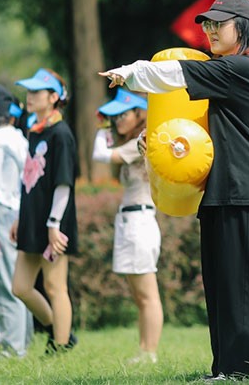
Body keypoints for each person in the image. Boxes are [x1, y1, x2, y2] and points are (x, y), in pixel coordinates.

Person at [99, 0, 249, 381]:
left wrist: (131, 72)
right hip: (224, 190)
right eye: (207, 24)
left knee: (236, 283)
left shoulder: (242, 67)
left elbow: (176, 74)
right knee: (219, 283)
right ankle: (223, 368)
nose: (210, 30)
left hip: (242, 189)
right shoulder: (230, 72)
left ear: (243, 28)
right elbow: (201, 129)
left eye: (218, 24)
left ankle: (240, 369)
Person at [92, 89, 163, 364]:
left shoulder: (142, 140)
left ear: (138, 113)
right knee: (139, 295)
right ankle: (144, 350)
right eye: (115, 116)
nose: (118, 120)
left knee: (147, 294)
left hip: (140, 222)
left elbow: (100, 154)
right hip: (130, 221)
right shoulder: (133, 142)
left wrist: (101, 127)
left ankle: (150, 352)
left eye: (123, 114)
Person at [10, 68, 79, 353]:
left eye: (36, 92)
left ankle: (60, 346)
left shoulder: (61, 134)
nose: (30, 96)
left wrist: (54, 224)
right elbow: (29, 180)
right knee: (20, 287)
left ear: (53, 97)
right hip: (31, 219)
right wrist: (20, 217)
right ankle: (59, 330)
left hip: (54, 221)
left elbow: (64, 184)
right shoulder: (35, 131)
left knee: (54, 285)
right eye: (29, 91)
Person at [0, 84, 33, 357]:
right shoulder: (20, 138)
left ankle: (11, 348)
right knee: (19, 280)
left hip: (1, 214)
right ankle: (23, 341)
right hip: (20, 213)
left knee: (3, 282)